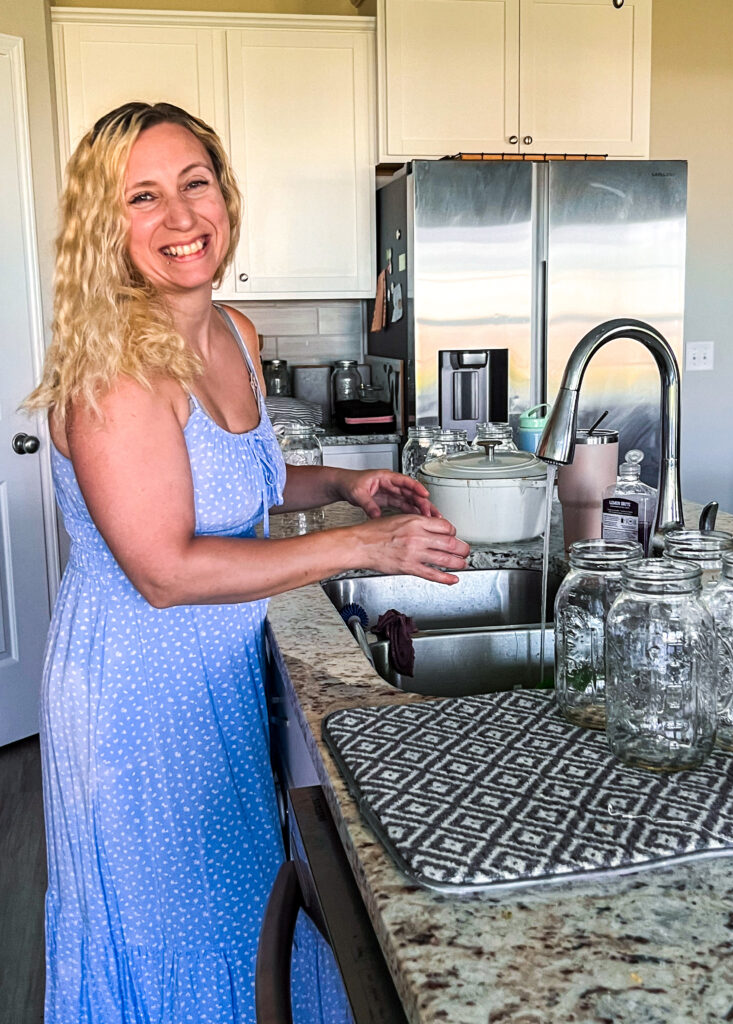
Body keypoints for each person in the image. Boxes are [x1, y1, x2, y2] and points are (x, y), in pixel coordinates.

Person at [24, 101, 469, 1024]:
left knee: (241, 912)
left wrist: (346, 485)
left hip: (212, 678)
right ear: (106, 226)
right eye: (143, 197)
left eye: (196, 184)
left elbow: (239, 487)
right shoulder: (115, 368)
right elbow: (166, 569)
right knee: (187, 926)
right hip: (135, 699)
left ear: (225, 196)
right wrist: (361, 547)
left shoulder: (233, 331)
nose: (182, 218)